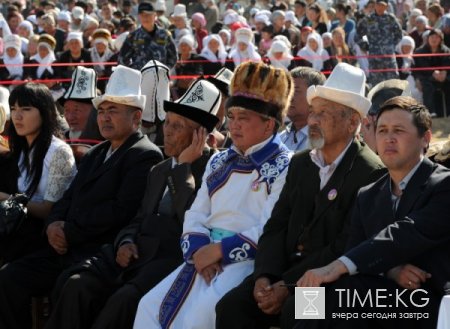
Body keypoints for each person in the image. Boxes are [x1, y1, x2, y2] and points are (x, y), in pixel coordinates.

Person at [215, 63, 386, 329]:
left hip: (327, 282)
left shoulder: (370, 172)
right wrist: (264, 276)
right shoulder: (301, 162)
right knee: (232, 306)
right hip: (281, 274)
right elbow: (276, 225)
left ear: (353, 122)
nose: (313, 121)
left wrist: (288, 284)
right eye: (313, 112)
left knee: (301, 314)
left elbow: (346, 245)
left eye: (324, 114)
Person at [44, 78, 221, 329]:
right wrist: (126, 241)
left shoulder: (213, 169)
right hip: (134, 252)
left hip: (171, 257)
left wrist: (183, 167)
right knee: (76, 284)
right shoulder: (160, 169)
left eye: (177, 126)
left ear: (200, 135)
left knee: (123, 301)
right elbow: (138, 217)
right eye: (167, 123)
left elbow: (188, 218)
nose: (167, 131)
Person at [0, 65, 164, 329]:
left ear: (136, 118)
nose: (105, 118)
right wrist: (54, 224)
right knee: (9, 278)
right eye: (102, 111)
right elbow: (68, 197)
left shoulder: (144, 154)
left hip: (100, 250)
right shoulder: (98, 152)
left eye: (114, 111)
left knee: (74, 287)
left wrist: (69, 230)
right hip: (65, 246)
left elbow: (121, 210)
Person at [133, 61, 294, 329]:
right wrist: (199, 251)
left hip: (245, 262)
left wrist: (218, 251)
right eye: (232, 117)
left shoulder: (285, 165)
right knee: (149, 308)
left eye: (244, 118)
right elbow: (197, 212)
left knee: (200, 317)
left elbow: (269, 228)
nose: (234, 125)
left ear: (268, 126)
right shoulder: (219, 161)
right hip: (202, 256)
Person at [296, 96, 450, 329]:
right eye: (382, 130)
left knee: (346, 294)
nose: (389, 138)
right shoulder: (368, 194)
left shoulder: (443, 184)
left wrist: (335, 266)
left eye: (399, 130)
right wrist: (391, 270)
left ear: (425, 138)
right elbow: (355, 250)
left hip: (432, 300)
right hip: (384, 295)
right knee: (309, 297)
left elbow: (404, 233)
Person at [0, 83, 77, 264]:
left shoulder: (59, 152)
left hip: (45, 236)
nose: (17, 116)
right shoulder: (20, 150)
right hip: (18, 228)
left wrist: (6, 198)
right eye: (13, 109)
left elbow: (49, 210)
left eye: (26, 109)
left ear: (44, 111)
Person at [355, 0, 403, 86]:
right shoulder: (368, 19)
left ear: (386, 6)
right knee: (376, 85)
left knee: (393, 83)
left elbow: (399, 34)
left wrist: (391, 45)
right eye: (378, 5)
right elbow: (358, 34)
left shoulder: (391, 19)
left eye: (382, 5)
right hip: (374, 57)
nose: (380, 7)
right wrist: (365, 46)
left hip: (389, 58)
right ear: (375, 5)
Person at [119, 2, 176, 70]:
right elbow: (122, 58)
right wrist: (133, 72)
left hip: (159, 77)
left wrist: (165, 71)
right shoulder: (133, 36)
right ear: (139, 16)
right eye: (142, 15)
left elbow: (173, 57)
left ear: (155, 15)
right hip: (139, 78)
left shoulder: (165, 35)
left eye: (148, 15)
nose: (145, 17)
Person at [280, 67, 326, 152]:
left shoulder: (325, 141)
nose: (289, 97)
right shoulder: (280, 138)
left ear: (314, 97)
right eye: (287, 90)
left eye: (295, 91)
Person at [413, 28, 450, 117]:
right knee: (428, 87)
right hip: (426, 76)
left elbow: (447, 62)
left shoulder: (446, 50)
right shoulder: (420, 51)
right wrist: (434, 72)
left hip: (442, 76)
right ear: (428, 38)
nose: (434, 39)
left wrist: (444, 72)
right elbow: (421, 66)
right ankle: (431, 112)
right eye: (432, 37)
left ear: (441, 39)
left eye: (437, 37)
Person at [61, 66, 103, 144]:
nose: (70, 117)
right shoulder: (62, 140)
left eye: (77, 110)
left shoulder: (106, 144)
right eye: (66, 110)